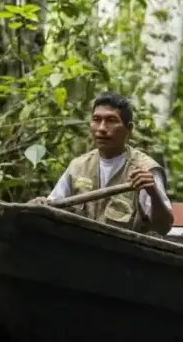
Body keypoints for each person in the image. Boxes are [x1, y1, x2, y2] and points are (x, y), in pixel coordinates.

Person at [37, 92, 174, 235]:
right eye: (96, 120)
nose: (102, 128)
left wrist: (154, 194)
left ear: (129, 129)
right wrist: (41, 205)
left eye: (111, 120)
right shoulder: (78, 166)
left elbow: (164, 228)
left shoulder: (146, 169)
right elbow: (51, 208)